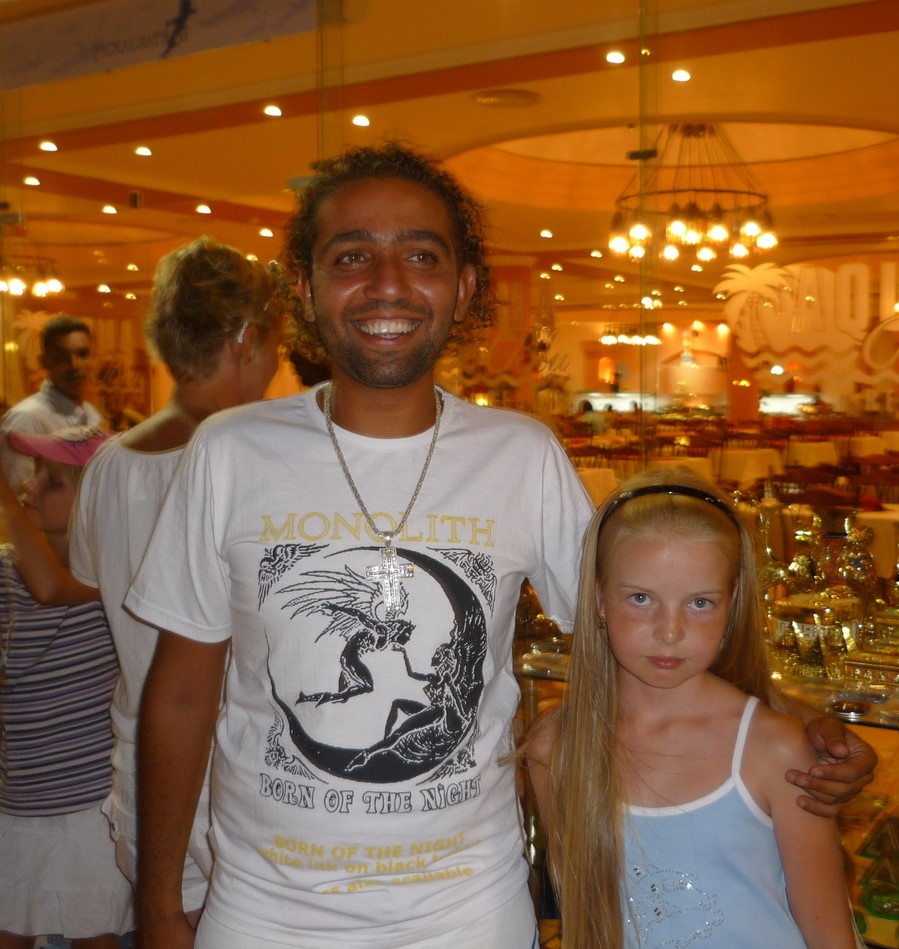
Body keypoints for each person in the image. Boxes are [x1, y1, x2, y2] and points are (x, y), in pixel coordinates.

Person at [125, 143, 874, 949]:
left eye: (421, 255)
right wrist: (158, 900)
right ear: (304, 288)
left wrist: (804, 728)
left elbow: (642, 622)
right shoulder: (231, 452)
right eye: (352, 256)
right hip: (266, 912)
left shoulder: (520, 454)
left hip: (466, 910)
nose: (387, 282)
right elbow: (180, 693)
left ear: (465, 287)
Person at [527, 469, 862, 949]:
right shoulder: (555, 747)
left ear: (733, 602)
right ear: (599, 598)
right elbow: (586, 917)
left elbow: (829, 932)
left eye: (700, 603)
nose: (670, 631)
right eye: (641, 598)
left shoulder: (774, 750)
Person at [68, 236, 286, 929]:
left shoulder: (107, 465)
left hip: (145, 772)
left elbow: (96, 585)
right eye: (275, 346)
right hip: (244, 776)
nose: (277, 364)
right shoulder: (253, 459)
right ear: (247, 340)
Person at [0, 425, 134, 949]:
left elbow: (52, 587)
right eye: (34, 473)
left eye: (53, 481)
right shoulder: (7, 571)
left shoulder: (113, 573)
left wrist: (4, 501)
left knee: (93, 936)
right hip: (16, 804)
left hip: (88, 811)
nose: (30, 485)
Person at [0, 316, 103, 491]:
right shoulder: (26, 420)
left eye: (82, 354)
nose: (75, 365)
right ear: (44, 362)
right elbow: (18, 498)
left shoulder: (92, 414)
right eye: (62, 358)